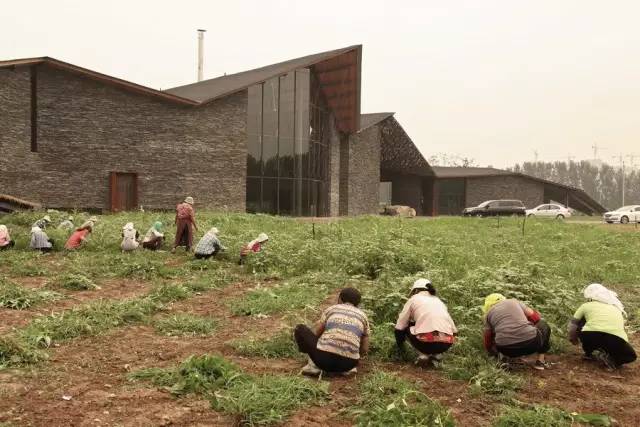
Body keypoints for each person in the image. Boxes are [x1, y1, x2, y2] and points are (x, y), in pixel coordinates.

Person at [294, 287, 370, 376]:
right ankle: (348, 370)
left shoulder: (332, 309)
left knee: (300, 328)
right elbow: (365, 349)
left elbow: (316, 333)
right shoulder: (364, 317)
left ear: (340, 299)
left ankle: (313, 365)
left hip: (324, 361)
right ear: (358, 303)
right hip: (349, 364)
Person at [568, 283, 637, 370]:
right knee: (631, 356)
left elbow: (573, 324)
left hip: (590, 336)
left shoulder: (585, 306)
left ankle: (589, 353)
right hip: (616, 339)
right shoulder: (616, 308)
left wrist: (573, 338)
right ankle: (612, 360)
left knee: (583, 322)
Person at [394, 279, 457, 366]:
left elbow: (399, 326)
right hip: (447, 342)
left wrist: (399, 344)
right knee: (437, 332)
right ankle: (437, 355)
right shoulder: (438, 301)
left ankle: (423, 355)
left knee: (405, 326)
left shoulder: (413, 299)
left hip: (425, 342)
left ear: (416, 290)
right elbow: (454, 330)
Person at [482, 293, 551, 370]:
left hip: (506, 350)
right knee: (543, 325)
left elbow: (487, 341)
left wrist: (492, 353)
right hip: (532, 344)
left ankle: (504, 360)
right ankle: (541, 361)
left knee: (496, 333)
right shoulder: (514, 301)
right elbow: (536, 318)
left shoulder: (487, 315)